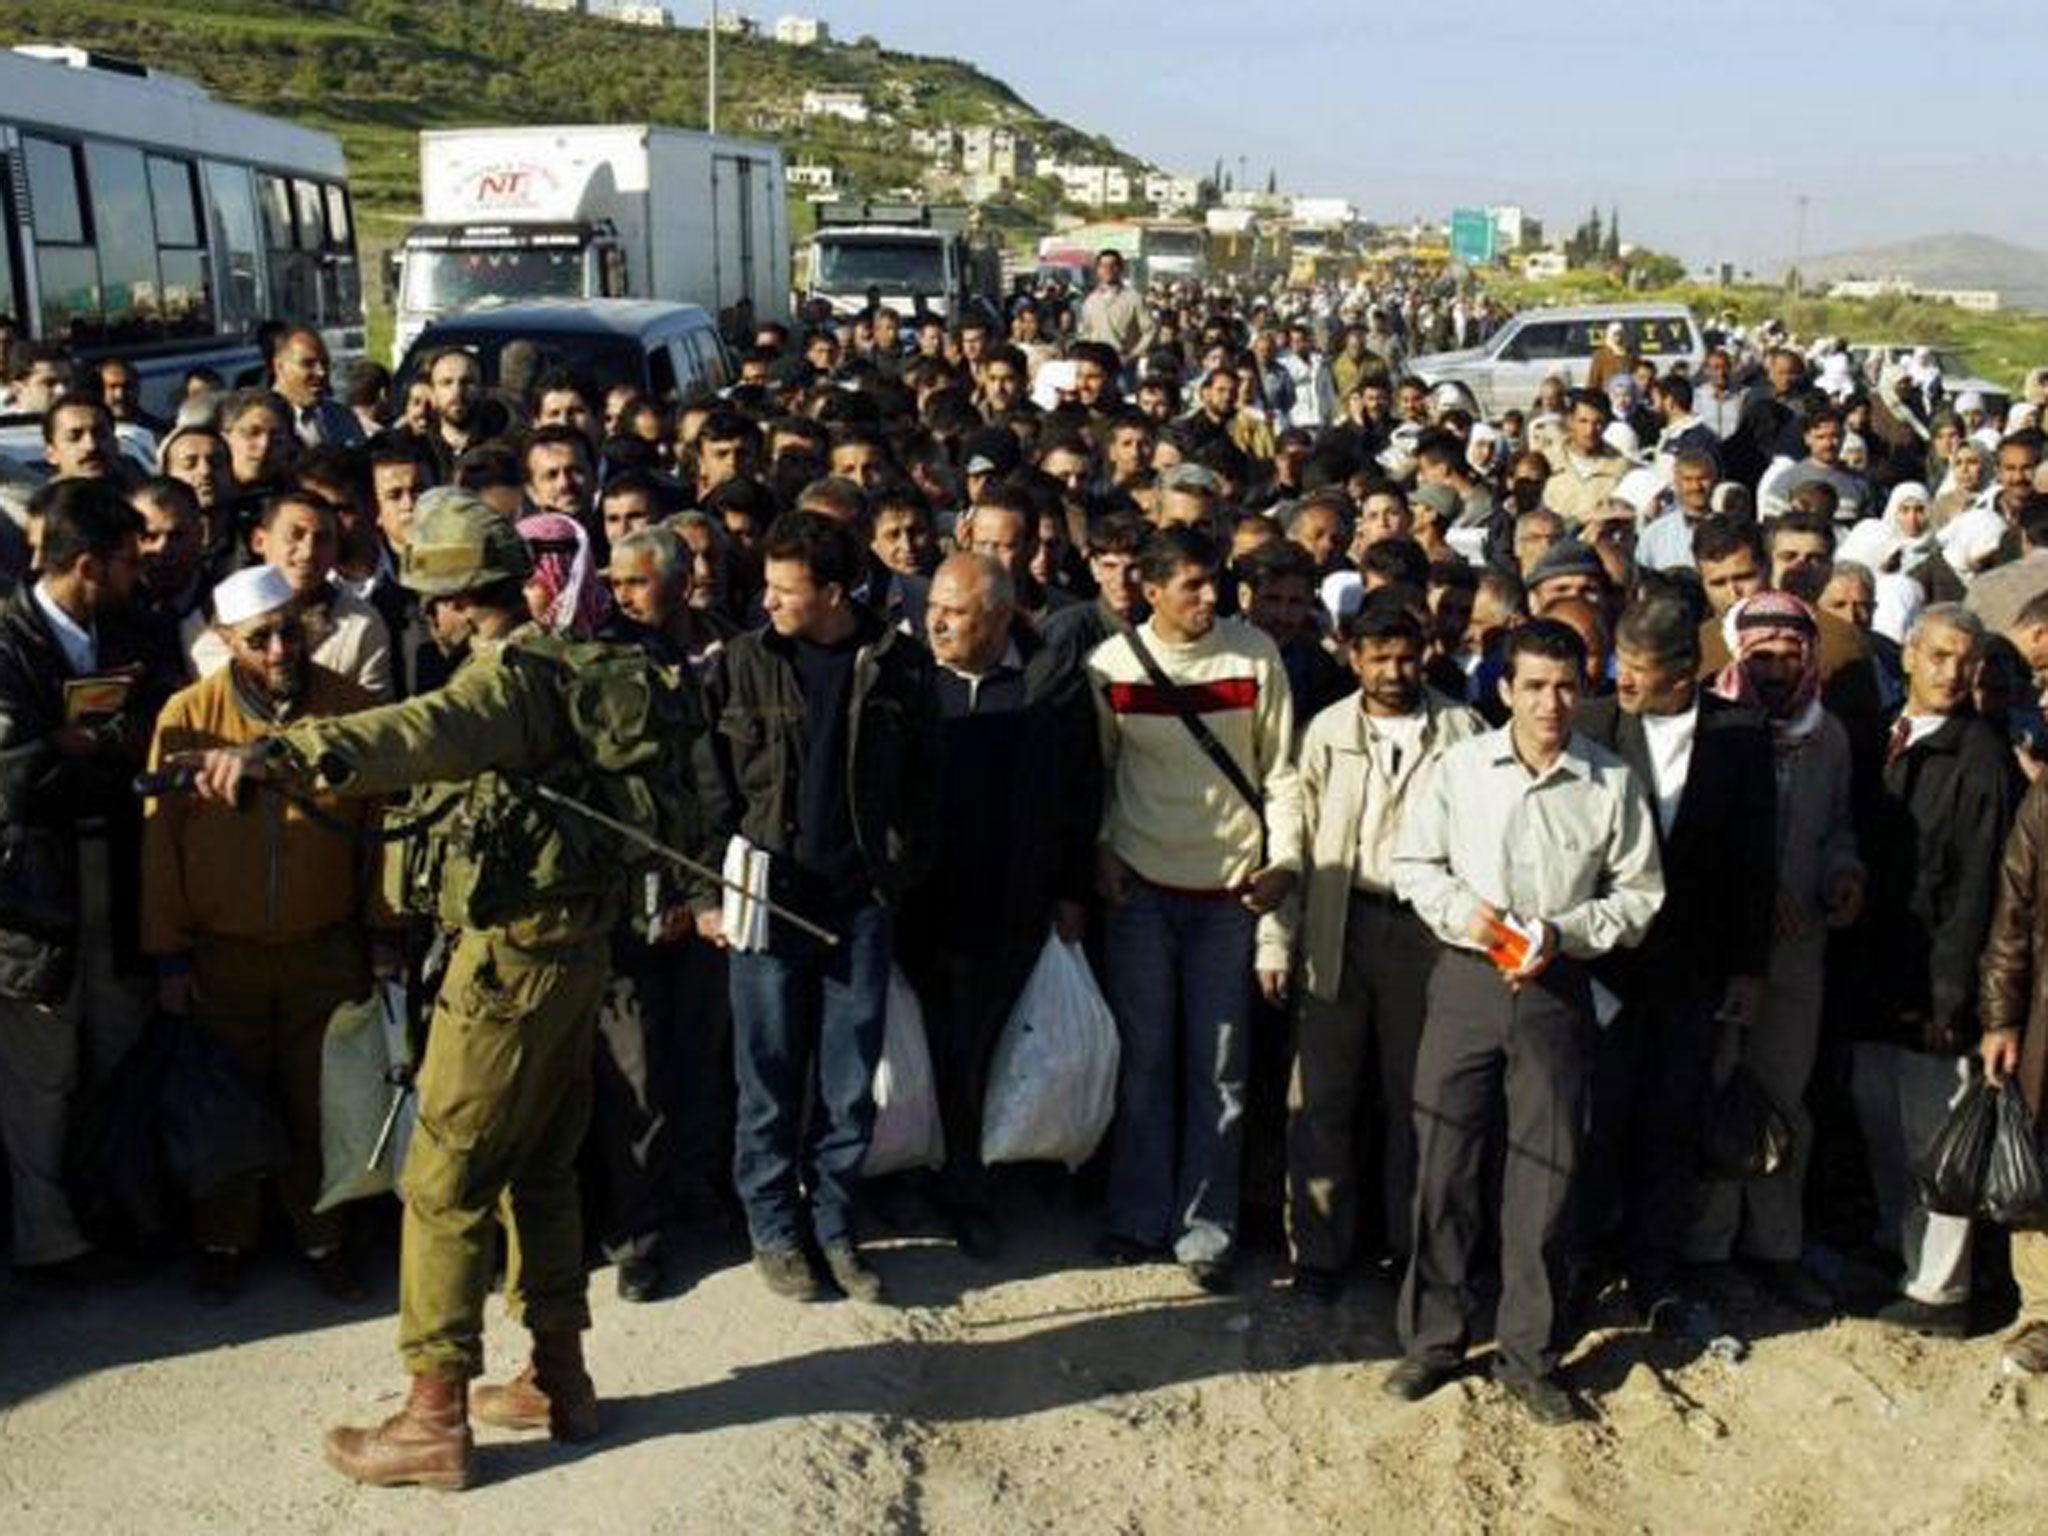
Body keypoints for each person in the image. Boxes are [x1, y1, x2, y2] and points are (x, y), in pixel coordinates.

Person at [182, 487, 703, 1488]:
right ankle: (558, 1377)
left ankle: (432, 1416)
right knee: (540, 1167)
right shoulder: (559, 665)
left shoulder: (503, 685)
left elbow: (411, 733)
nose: (429, 616)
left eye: (435, 599)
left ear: (462, 598)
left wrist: (273, 754)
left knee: (443, 1180)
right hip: (569, 952)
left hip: (509, 962)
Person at [1385, 619, 1663, 1422]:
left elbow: (1641, 896)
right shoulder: (1461, 769)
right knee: (1444, 1164)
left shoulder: (1610, 781)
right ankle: (1433, 1341)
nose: (1552, 701)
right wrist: (1465, 916)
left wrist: (1566, 933)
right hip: (1467, 983)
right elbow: (1415, 864)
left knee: (1546, 1176)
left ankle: (1529, 1355)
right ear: (1505, 689)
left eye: (1568, 685)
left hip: (1556, 990)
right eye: (1535, 685)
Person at [699, 511, 940, 1305]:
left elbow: (923, 787)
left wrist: (895, 875)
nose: (767, 601)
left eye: (784, 589)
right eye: (764, 586)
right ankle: (774, 1228)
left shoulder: (897, 667)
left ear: (835, 592)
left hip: (858, 907)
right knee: (766, 1079)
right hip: (767, 905)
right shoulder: (740, 664)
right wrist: (711, 891)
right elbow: (707, 789)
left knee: (846, 1083)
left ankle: (835, 1225)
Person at [142, 564, 387, 1304]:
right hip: (224, 954)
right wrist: (168, 956)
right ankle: (225, 1241)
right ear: (226, 641)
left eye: (291, 631)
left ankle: (326, 1241)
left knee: (322, 1104)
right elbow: (161, 848)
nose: (281, 650)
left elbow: (382, 831)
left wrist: (384, 931)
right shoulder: (188, 717)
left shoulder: (350, 709)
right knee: (229, 1107)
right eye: (261, 639)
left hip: (325, 946)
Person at [1088, 525, 1303, 1290]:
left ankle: (1207, 1228)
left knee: (1222, 1066)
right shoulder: (1109, 666)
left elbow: (1281, 771)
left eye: (1214, 582)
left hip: (1229, 897)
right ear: (1150, 590)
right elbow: (1102, 776)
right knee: (1145, 1062)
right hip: (1143, 893)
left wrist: (1284, 866)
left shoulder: (1256, 656)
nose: (1211, 597)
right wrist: (1104, 848)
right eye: (1192, 585)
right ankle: (1139, 1215)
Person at [1575, 600, 1776, 1327]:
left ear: (1686, 673)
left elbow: (1756, 865)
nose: (1621, 680)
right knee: (1596, 1119)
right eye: (1618, 663)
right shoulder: (1593, 725)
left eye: (1639, 668)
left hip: (1692, 972)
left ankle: (1654, 1270)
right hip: (1603, 966)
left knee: (1670, 1123)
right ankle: (1581, 1260)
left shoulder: (1741, 740)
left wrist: (1748, 971)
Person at [898, 552, 1099, 1256]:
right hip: (922, 904)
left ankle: (973, 1188)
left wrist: (1071, 890)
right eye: (933, 609)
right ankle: (914, 1175)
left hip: (1011, 903)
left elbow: (1080, 793)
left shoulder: (1049, 684)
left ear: (998, 617)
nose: (937, 623)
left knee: (986, 1049)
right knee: (927, 1049)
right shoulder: (909, 680)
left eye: (954, 613)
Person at [1279, 599, 1481, 1296]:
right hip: (1338, 925)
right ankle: (1318, 1248)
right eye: (1379, 657)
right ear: (1351, 656)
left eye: (1406, 656)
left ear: (1426, 651)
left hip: (1427, 933)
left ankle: (1410, 1246)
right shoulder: (1326, 732)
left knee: (1415, 1098)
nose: (1394, 671)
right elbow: (1296, 845)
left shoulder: (1463, 730)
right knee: (1323, 1096)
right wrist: (1279, 939)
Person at [1683, 591, 1862, 1314]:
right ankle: (1705, 1249)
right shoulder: (1711, 728)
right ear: (1738, 654)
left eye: (1792, 655)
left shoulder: (1832, 739)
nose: (1778, 669)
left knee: (1785, 1101)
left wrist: (1843, 877)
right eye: (1763, 656)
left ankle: (1776, 1247)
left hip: (1798, 953)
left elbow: (1839, 830)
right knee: (1718, 1089)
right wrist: (1752, 903)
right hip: (1722, 950)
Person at [0, 480, 154, 1285]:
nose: (142, 574)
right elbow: (13, 778)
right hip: (36, 893)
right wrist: (67, 752)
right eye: (128, 562)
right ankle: (49, 1239)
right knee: (40, 1072)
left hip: (118, 873)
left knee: (118, 1047)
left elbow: (154, 733)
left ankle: (114, 1214)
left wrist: (84, 746)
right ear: (87, 566)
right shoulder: (6, 642)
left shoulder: (130, 628)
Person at [1853, 606, 2020, 1336]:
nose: (1953, 673)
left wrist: (1958, 1000)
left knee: (1935, 1140)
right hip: (1875, 967)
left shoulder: (1978, 758)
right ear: (1911, 655)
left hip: (1935, 986)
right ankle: (1901, 1246)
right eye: (1941, 657)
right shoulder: (1884, 733)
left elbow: (1977, 889)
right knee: (1880, 1118)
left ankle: (1939, 1288)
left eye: (1967, 660)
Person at [186, 490, 394, 699]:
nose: (308, 551)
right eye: (295, 536)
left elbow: (374, 715)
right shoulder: (205, 623)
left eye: (322, 539)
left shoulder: (362, 625)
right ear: (259, 541)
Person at [271, 328, 363, 449]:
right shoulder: (258, 420)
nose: (321, 372)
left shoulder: (342, 418)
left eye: (325, 363)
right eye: (308, 364)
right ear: (280, 367)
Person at [1078, 250, 1154, 365]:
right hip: (1096, 363)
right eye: (1103, 266)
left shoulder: (1134, 298)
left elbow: (1150, 331)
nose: (1107, 269)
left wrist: (1132, 355)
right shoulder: (1090, 300)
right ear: (1098, 270)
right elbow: (1085, 332)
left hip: (1123, 364)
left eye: (1112, 265)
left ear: (1120, 269)